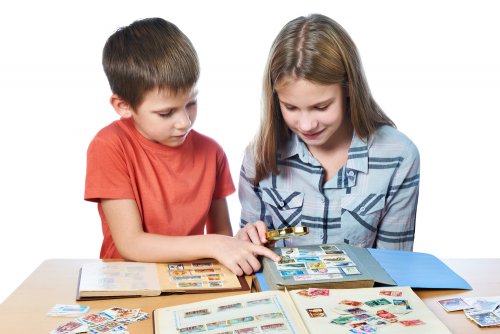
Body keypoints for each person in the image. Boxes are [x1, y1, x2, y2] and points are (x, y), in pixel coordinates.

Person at [84, 17, 279, 276]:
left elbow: (222, 234)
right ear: (123, 106)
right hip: (128, 283)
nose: (184, 122)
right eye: (166, 113)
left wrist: (239, 245)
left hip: (192, 282)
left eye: (191, 103)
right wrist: (213, 244)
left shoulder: (212, 152)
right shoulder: (109, 146)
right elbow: (131, 244)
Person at [236, 14, 420, 250]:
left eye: (321, 107)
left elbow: (395, 265)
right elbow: (252, 258)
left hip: (367, 288)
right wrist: (247, 241)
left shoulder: (398, 155)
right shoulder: (260, 156)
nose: (306, 125)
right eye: (290, 107)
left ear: (349, 89)